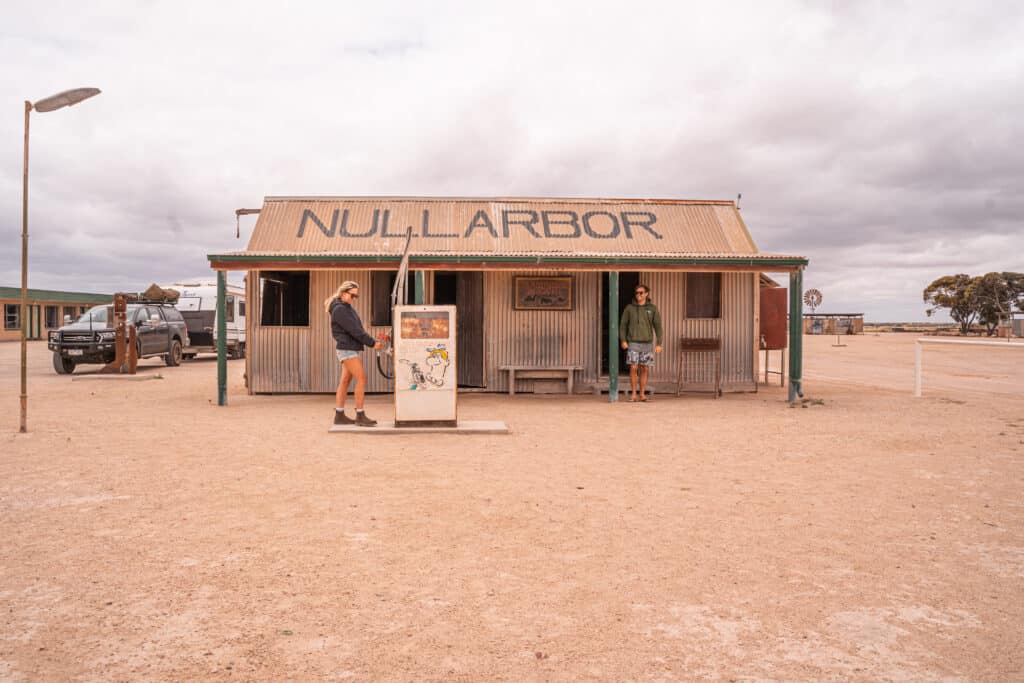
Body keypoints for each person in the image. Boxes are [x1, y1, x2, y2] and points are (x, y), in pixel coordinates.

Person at [325, 281, 382, 426]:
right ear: (343, 293)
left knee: (345, 381)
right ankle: (360, 415)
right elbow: (355, 331)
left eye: (356, 296)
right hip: (347, 349)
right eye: (352, 295)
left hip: (348, 348)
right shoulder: (340, 309)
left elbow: (357, 328)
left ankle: (339, 416)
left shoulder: (345, 307)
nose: (354, 298)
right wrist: (372, 343)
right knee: (362, 378)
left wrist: (372, 340)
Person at [619, 283, 663, 402]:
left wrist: (659, 343)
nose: (638, 295)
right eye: (637, 292)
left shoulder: (652, 309)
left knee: (644, 368)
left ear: (646, 294)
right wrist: (623, 340)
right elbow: (623, 325)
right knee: (633, 367)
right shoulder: (629, 308)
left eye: (641, 292)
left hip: (647, 343)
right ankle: (633, 394)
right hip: (633, 342)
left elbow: (658, 326)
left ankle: (642, 394)